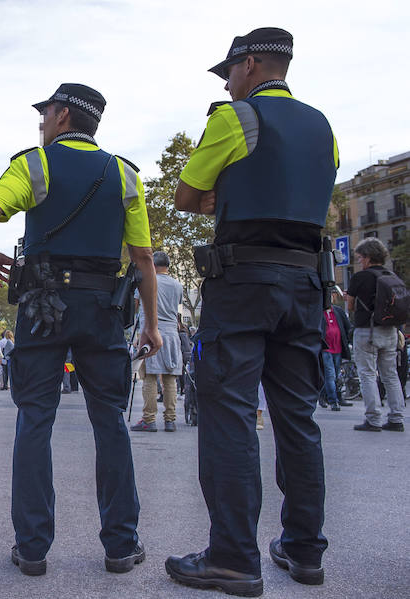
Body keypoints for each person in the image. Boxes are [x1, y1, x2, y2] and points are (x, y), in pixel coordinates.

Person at [166, 28, 338, 594]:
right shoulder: (323, 127)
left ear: (253, 63)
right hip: (306, 285)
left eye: (230, 71)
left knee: (231, 415)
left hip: (243, 283)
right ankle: (304, 550)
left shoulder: (234, 118)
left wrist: (223, 189)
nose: (228, 81)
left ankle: (234, 557)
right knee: (298, 419)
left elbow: (186, 196)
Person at [0, 82, 159, 576]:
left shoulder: (36, 164)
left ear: (64, 117)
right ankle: (121, 545)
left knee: (35, 420)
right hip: (102, 308)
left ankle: (32, 548)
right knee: (110, 422)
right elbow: (142, 259)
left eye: (47, 110)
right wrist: (153, 325)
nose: (41, 119)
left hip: (42, 304)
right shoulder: (124, 173)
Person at [345, 237, 405, 432]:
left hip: (366, 331)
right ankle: (396, 419)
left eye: (360, 258)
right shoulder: (392, 275)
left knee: (367, 374)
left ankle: (373, 419)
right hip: (391, 331)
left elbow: (351, 306)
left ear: (369, 257)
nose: (359, 261)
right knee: (390, 375)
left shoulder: (360, 277)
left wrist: (350, 298)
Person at [131, 251, 183, 432]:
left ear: (153, 266)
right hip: (171, 334)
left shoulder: (147, 282)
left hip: (150, 332)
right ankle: (170, 420)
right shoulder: (177, 285)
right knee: (170, 379)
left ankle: (149, 419)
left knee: (149, 378)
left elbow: (135, 306)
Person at [321, 293, 353, 411]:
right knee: (330, 375)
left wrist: (350, 341)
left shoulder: (338, 311)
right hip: (326, 349)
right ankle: (333, 401)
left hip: (338, 348)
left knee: (335, 375)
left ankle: (324, 396)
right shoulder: (319, 312)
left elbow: (348, 327)